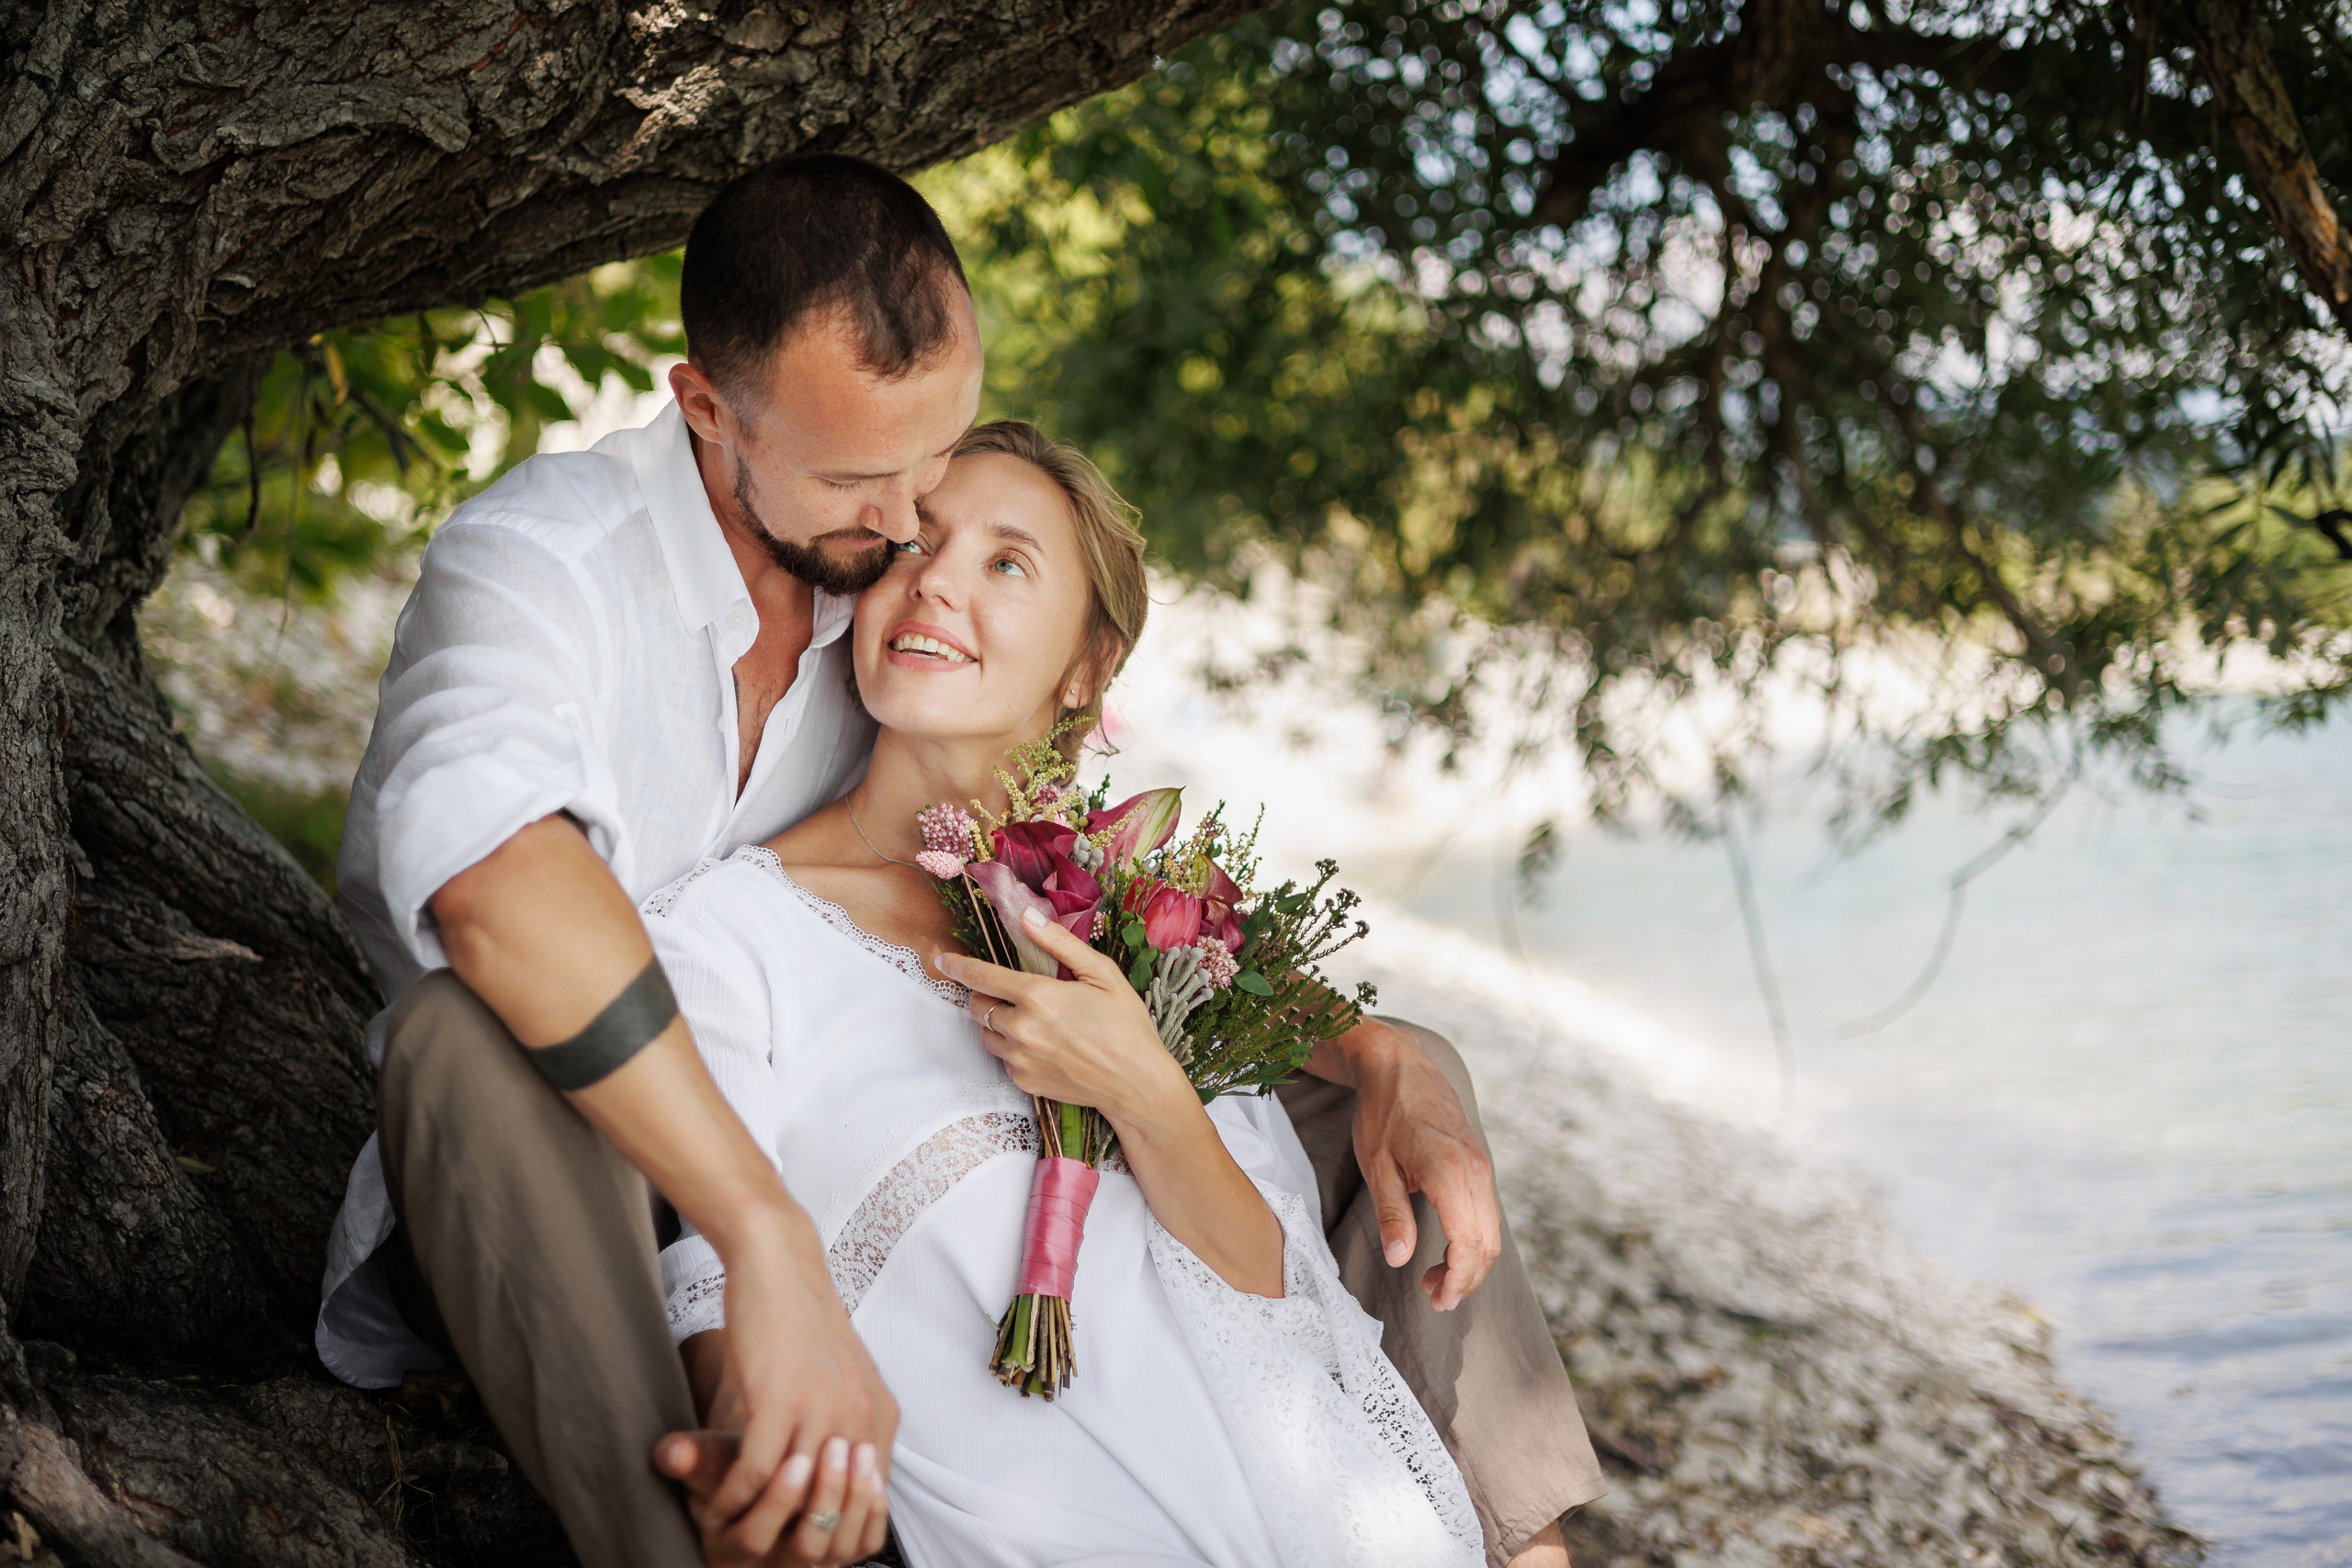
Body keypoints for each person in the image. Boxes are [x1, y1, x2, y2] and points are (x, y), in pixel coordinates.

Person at [318, 152, 1602, 1568]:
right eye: (878, 485)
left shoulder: (858, 583)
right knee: (473, 1039)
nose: (911, 534)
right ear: (704, 411)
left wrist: (1388, 1047)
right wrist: (763, 1243)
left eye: (939, 469)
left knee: (1371, 1110)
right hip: (574, 1125)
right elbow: (498, 880)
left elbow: (1071, 875)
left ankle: (1517, 1535)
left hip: (924, 1063)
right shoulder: (547, 568)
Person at [646, 418, 1487, 1566]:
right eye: (914, 544)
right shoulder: (737, 931)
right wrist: (757, 1447)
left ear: (1089, 667)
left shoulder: (1131, 918)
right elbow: (710, 1248)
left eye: (1005, 562)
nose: (935, 581)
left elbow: (1266, 1301)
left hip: (1273, 1498)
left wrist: (1146, 1087)